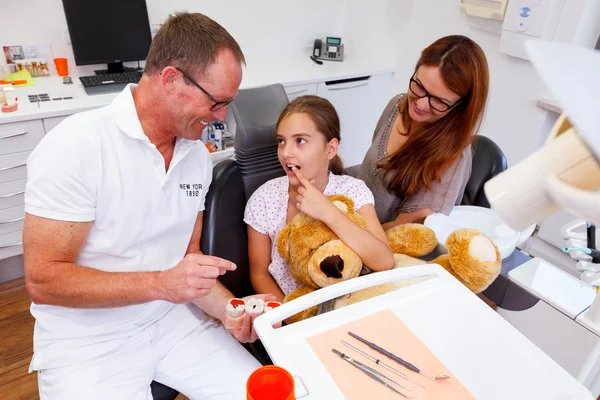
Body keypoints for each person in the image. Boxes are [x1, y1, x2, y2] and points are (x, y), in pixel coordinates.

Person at [23, 12, 272, 400]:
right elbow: (43, 280)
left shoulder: (195, 156)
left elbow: (187, 262)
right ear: (171, 79)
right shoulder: (76, 147)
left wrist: (230, 310)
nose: (222, 116)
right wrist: (160, 284)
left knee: (268, 394)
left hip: (171, 321)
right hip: (88, 341)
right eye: (217, 102)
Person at [244, 95, 394, 302]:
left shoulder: (353, 191)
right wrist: (289, 317)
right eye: (281, 141)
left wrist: (327, 211)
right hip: (292, 312)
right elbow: (260, 274)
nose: (286, 152)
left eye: (300, 141)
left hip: (346, 307)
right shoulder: (263, 199)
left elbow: (384, 261)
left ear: (330, 148)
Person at [358, 35, 490, 230]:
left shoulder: (454, 159)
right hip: (354, 224)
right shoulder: (397, 105)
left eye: (439, 101)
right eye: (419, 86)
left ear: (460, 107)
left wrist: (346, 228)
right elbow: (370, 173)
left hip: (384, 246)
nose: (420, 104)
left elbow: (403, 230)